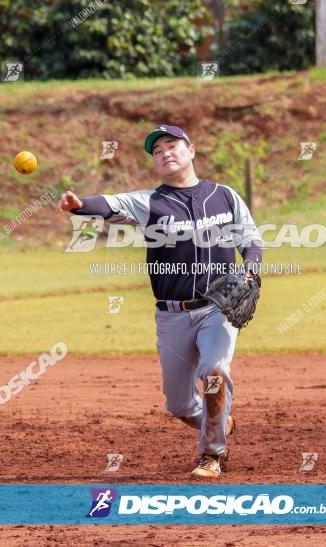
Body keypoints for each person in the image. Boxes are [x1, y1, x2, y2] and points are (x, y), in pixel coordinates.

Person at [56, 124, 263, 477]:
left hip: (219, 308)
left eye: (172, 145)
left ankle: (211, 455)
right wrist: (79, 206)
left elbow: (250, 238)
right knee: (180, 404)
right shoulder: (150, 202)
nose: (165, 152)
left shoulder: (224, 196)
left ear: (192, 150)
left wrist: (251, 271)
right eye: (157, 151)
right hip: (171, 315)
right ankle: (218, 424)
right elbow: (110, 204)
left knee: (214, 371)